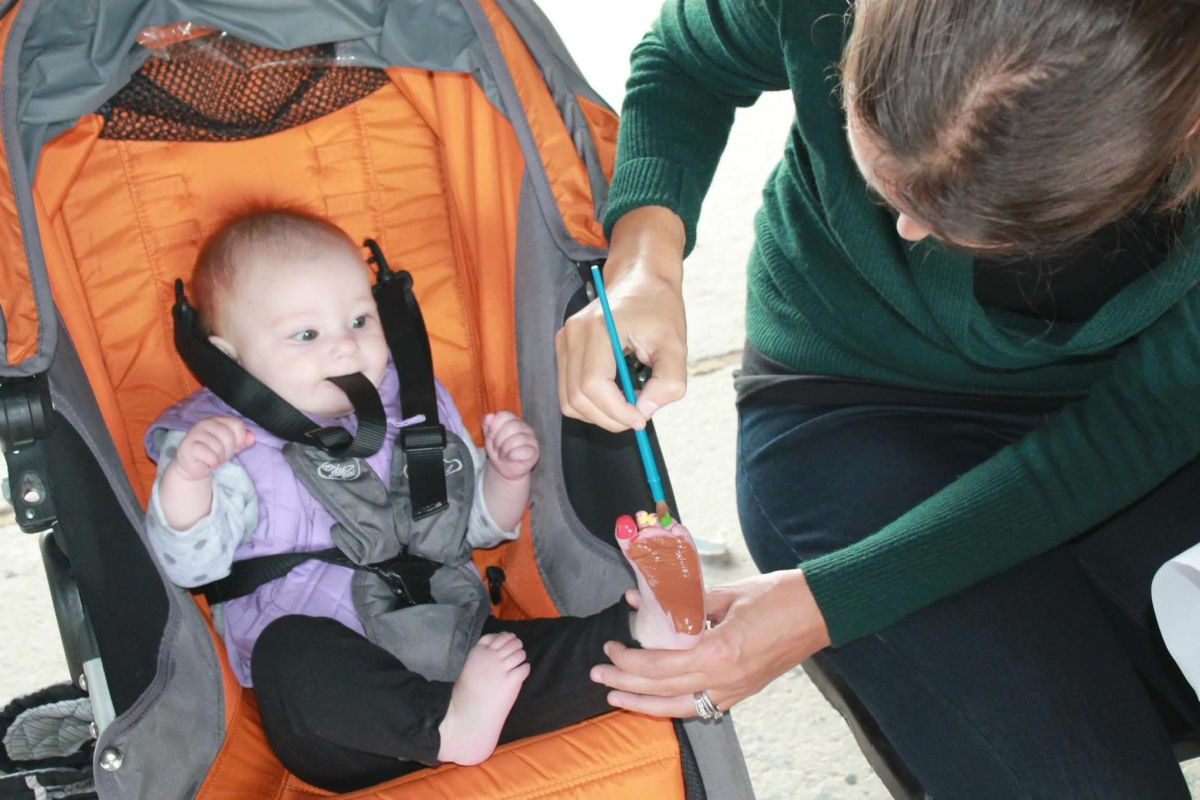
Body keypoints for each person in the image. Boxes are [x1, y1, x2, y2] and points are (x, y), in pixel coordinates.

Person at [556, 1, 1200, 797]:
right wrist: (641, 262)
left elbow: (1126, 436)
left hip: (1148, 421)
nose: (904, 233)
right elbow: (685, 58)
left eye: (956, 218)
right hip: (857, 405)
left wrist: (832, 603)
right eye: (885, 181)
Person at [144, 208, 704, 793]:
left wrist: (508, 475)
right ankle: (444, 727)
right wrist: (189, 477)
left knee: (521, 648)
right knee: (289, 653)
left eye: (360, 320)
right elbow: (191, 564)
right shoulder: (222, 445)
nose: (343, 348)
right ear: (229, 358)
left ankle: (643, 636)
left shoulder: (413, 412)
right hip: (347, 720)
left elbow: (478, 527)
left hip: (455, 648)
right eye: (306, 335)